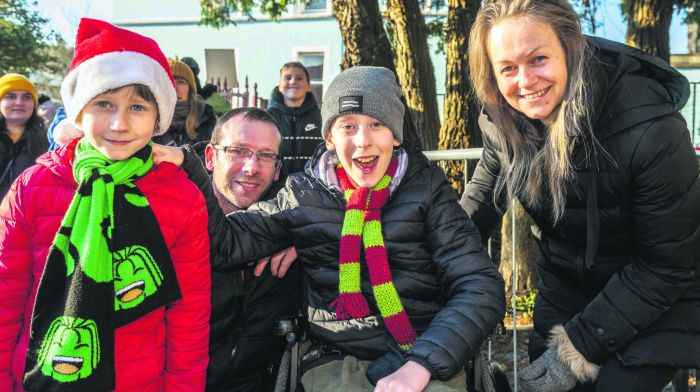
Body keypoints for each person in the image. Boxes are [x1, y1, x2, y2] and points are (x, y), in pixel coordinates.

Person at [155, 66, 505, 392]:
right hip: (335, 357)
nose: (363, 141)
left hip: (425, 349)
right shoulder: (303, 197)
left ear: (396, 137)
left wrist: (421, 363)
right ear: (329, 139)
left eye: (377, 125)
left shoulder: (428, 190)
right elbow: (227, 244)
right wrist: (192, 169)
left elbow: (479, 285)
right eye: (348, 126)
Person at [461, 0, 700, 391]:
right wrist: (424, 279)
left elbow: (667, 265)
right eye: (507, 68)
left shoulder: (650, 127)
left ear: (570, 47)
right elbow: (471, 217)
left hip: (659, 297)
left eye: (538, 59)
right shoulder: (504, 124)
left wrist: (582, 344)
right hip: (566, 291)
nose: (525, 81)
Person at [0, 18, 211, 391]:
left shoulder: (182, 198)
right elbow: (6, 298)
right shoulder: (31, 189)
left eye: (138, 107)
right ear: (79, 111)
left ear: (158, 116)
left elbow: (188, 315)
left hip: (140, 381)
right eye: (104, 103)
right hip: (39, 379)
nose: (119, 124)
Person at [204, 107, 302, 392]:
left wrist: (306, 241)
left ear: (277, 171)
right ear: (211, 157)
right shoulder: (174, 222)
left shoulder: (291, 225)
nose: (251, 167)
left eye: (266, 155)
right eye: (238, 150)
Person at [266, 61, 322, 175]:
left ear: (308, 86)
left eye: (299, 78)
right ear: (280, 85)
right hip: (274, 187)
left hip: (313, 187)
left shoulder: (322, 117)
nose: (293, 81)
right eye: (287, 78)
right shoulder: (267, 118)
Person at [0, 73, 49, 199]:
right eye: (10, 96)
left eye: (27, 97)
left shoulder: (47, 142)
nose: (19, 102)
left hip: (26, 217)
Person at [152, 58, 216, 148]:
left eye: (181, 82)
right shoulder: (148, 120)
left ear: (190, 90)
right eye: (169, 81)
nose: (174, 87)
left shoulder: (207, 120)